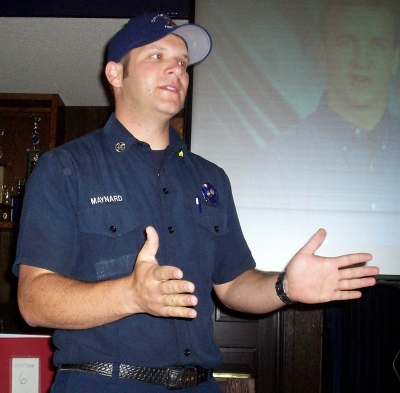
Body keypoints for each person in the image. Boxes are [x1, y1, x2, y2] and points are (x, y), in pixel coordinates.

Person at [13, 13, 379, 393]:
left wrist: (285, 287)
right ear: (115, 74)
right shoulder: (65, 168)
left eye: (183, 63)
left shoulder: (211, 179)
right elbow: (34, 301)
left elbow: (234, 284)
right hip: (104, 382)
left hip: (201, 386)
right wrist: (131, 294)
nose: (176, 69)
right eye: (157, 56)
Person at [248, 0, 400, 257]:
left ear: (395, 59)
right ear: (321, 54)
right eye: (346, 42)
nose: (362, 60)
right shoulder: (277, 163)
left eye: (377, 45)